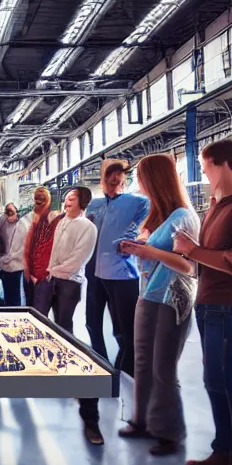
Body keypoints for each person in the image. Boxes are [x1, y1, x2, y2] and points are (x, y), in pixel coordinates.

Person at [174, 137, 232, 465]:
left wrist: (191, 250)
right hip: (208, 305)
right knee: (214, 381)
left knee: (229, 381)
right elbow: (199, 262)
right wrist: (181, 255)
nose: (204, 174)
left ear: (222, 164)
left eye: (206, 167)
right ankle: (224, 452)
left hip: (230, 306)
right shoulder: (216, 208)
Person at [117, 154, 199, 456]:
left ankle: (170, 432)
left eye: (142, 177)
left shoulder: (183, 216)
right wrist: (136, 250)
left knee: (163, 367)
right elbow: (152, 252)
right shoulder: (158, 216)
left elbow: (190, 265)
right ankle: (143, 421)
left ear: (156, 179)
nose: (139, 183)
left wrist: (150, 253)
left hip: (171, 298)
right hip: (148, 294)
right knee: (142, 362)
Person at [78, 160, 149, 446]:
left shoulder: (136, 202)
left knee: (125, 330)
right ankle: (103, 367)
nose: (114, 182)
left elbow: (148, 224)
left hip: (122, 274)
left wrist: (134, 238)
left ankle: (123, 374)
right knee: (93, 324)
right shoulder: (94, 205)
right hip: (94, 273)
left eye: (119, 179)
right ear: (104, 180)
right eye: (110, 178)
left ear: (125, 180)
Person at [34, 187, 97, 332]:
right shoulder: (59, 221)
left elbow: (77, 260)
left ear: (82, 201)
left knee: (63, 325)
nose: (66, 202)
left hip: (69, 282)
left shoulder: (88, 227)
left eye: (71, 198)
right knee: (39, 318)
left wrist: (52, 269)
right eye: (66, 198)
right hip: (49, 278)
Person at [23, 187, 63, 307]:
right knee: (32, 309)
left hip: (44, 276)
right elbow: (27, 248)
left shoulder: (53, 218)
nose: (39, 200)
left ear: (49, 200)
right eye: (37, 197)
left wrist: (39, 275)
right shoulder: (30, 219)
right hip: (31, 275)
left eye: (42, 197)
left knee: (39, 312)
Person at [0, 203, 29, 306]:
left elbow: (24, 248)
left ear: (17, 213)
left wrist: (7, 258)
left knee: (15, 297)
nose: (10, 218)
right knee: (6, 297)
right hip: (4, 265)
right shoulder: (2, 220)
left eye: (12, 215)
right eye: (7, 215)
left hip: (16, 266)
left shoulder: (23, 226)